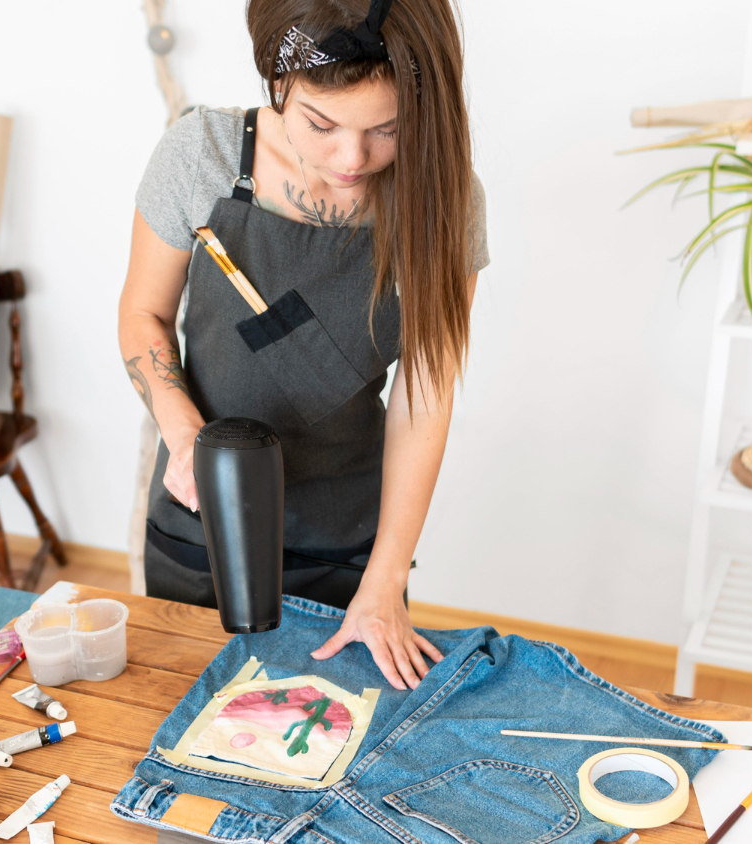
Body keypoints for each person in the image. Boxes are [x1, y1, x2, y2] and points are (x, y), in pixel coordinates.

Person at [117, 0, 487, 691]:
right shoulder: (204, 154)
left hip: (351, 541)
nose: (353, 158)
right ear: (278, 82)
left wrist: (385, 580)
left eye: (389, 129)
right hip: (205, 523)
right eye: (322, 124)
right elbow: (142, 314)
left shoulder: (445, 198)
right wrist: (183, 431)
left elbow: (425, 395)